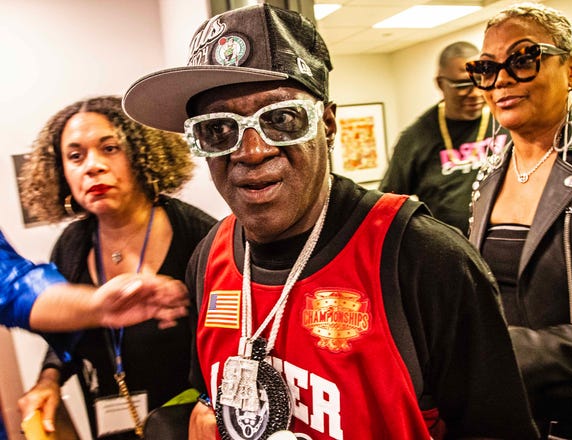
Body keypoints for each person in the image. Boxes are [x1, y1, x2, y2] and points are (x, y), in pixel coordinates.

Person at [123, 4, 538, 440]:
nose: (250, 151)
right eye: (218, 130)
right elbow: (206, 392)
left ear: (328, 125)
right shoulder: (210, 257)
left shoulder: (424, 260)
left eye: (281, 119)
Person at [465, 3, 572, 439]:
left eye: (523, 59)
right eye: (486, 67)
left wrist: (532, 351)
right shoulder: (490, 167)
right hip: (507, 410)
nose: (501, 79)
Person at [18, 96, 216, 439]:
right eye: (75, 156)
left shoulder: (200, 238)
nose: (91, 166)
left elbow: (229, 346)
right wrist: (47, 380)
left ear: (141, 154)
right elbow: (65, 335)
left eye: (109, 148)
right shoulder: (72, 245)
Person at [0, 229, 189, 440]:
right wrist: (50, 376)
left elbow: (12, 287)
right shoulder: (73, 243)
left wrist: (96, 306)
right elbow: (65, 336)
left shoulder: (189, 229)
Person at [379, 41, 508, 236]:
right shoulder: (415, 138)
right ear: (441, 84)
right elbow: (387, 205)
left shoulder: (506, 121)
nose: (475, 93)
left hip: (502, 242)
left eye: (480, 81)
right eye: (462, 85)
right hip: (451, 251)